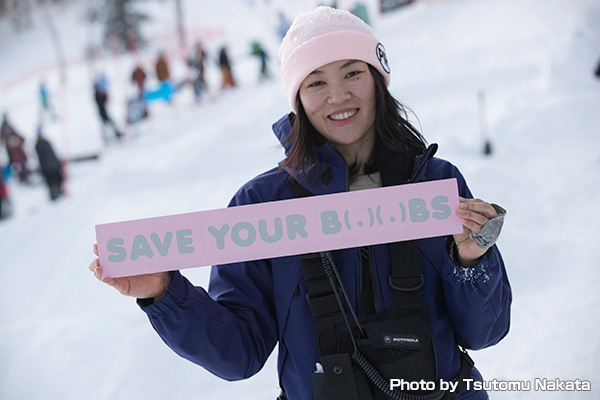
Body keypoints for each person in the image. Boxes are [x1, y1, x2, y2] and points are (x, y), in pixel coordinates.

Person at [89, 7, 511, 400]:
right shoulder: (260, 206)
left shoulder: (434, 182)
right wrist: (165, 295)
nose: (338, 96)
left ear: (378, 80)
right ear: (297, 99)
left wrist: (474, 263)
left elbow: (486, 331)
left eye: (352, 73)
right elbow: (239, 353)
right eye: (316, 82)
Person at [34, 126, 63, 200]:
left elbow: (52, 154)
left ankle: (58, 191)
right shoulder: (38, 145)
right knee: (51, 182)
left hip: (53, 165)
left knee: (58, 179)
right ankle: (53, 194)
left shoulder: (46, 142)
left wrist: (57, 163)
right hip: (47, 168)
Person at [1, 113, 30, 183]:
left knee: (22, 162)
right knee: (17, 163)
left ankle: (25, 176)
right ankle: (22, 177)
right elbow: (3, 138)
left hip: (16, 147)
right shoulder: (4, 127)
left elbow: (16, 133)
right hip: (12, 148)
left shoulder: (9, 126)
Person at [93, 74, 123, 142]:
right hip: (102, 112)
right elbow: (101, 101)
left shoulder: (97, 94)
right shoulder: (97, 95)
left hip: (102, 112)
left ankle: (110, 135)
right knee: (107, 124)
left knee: (106, 124)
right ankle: (111, 135)